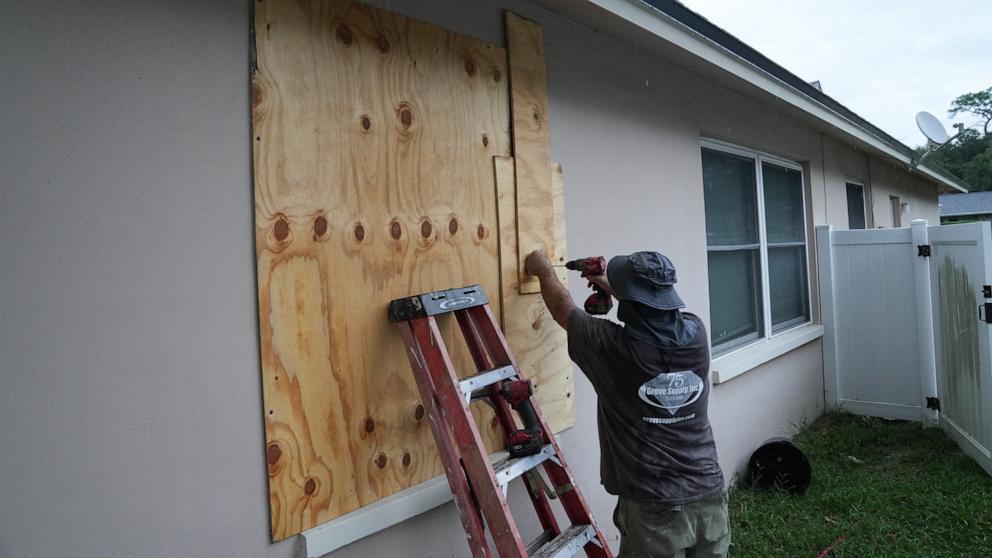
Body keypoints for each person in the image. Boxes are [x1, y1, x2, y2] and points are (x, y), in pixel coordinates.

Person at [525, 249, 729, 558]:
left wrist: (542, 269)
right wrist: (617, 288)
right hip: (709, 497)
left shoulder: (612, 348)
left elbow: (561, 308)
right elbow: (656, 317)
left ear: (629, 299)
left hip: (655, 508)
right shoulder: (696, 334)